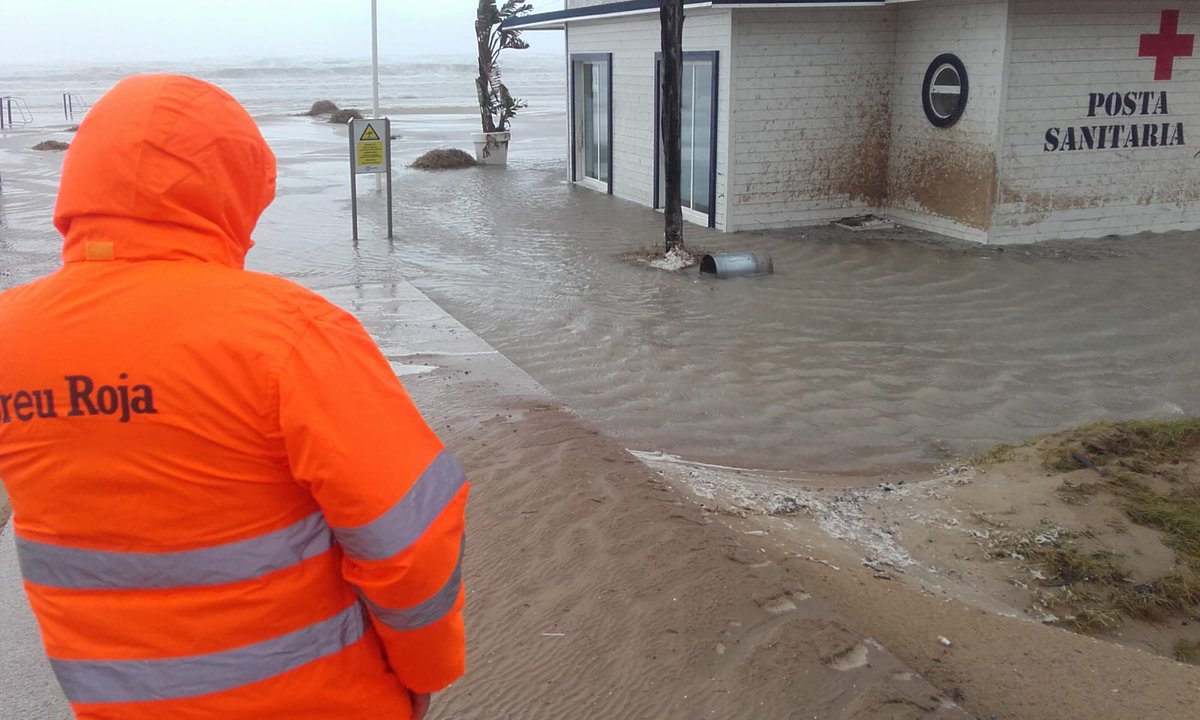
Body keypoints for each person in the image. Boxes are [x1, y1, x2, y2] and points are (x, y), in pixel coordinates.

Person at [0, 74, 467, 719]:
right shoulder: (289, 335)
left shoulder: (9, 334)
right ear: (236, 186)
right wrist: (424, 674)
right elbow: (410, 537)